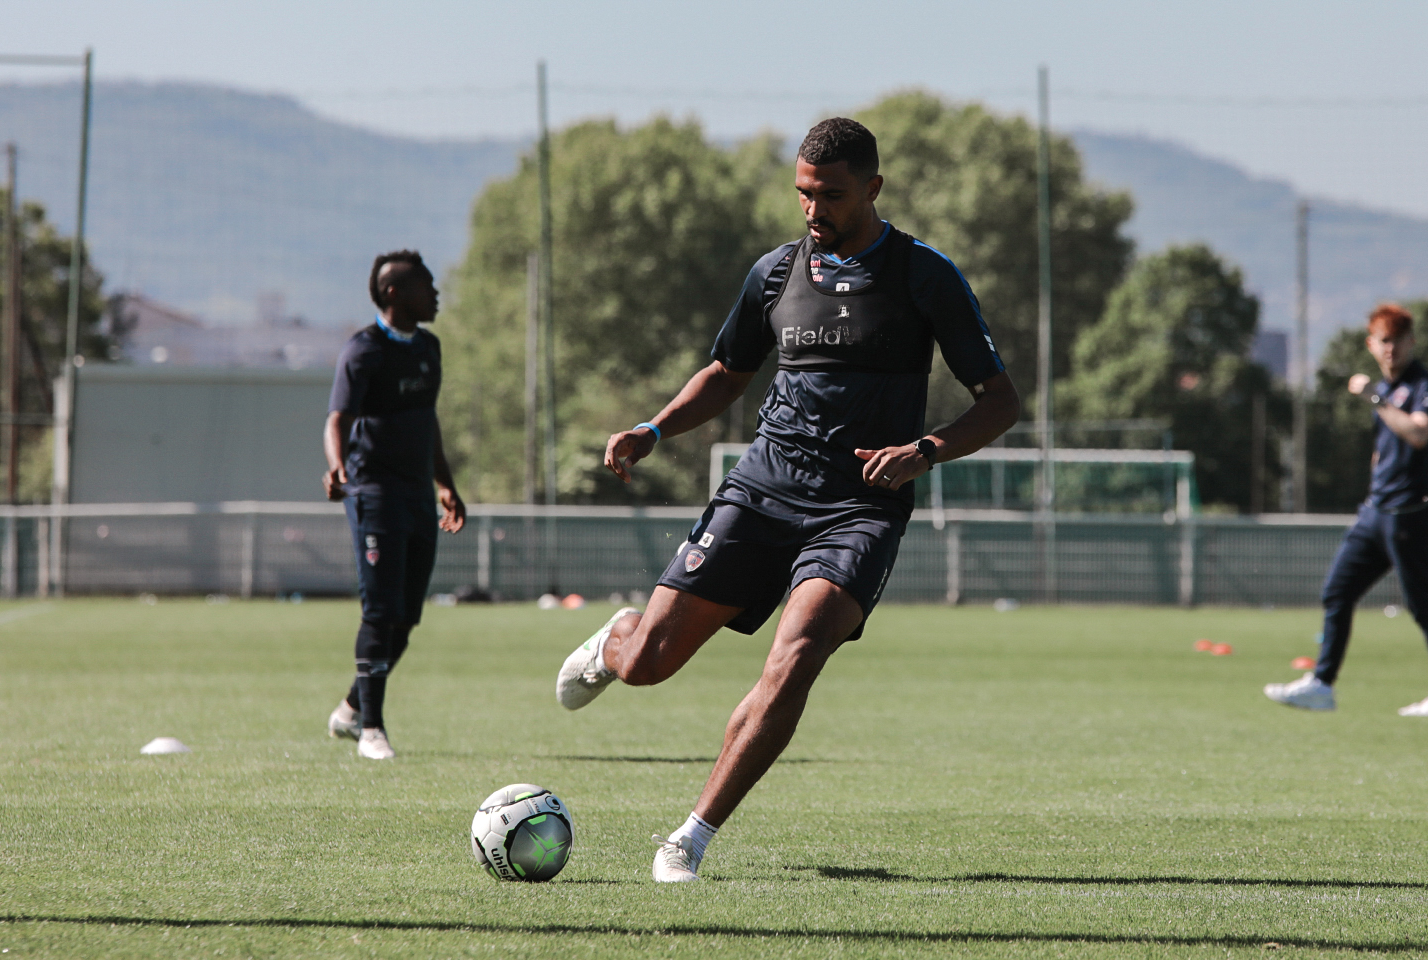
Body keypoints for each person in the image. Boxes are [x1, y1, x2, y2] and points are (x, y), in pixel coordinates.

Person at [554, 117, 1020, 881]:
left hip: (859, 510)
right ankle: (615, 643)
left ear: (872, 188)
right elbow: (728, 372)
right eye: (804, 194)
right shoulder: (775, 272)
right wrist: (654, 429)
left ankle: (690, 838)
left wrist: (925, 450)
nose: (814, 210)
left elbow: (999, 400)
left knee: (797, 655)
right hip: (763, 490)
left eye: (831, 195)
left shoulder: (924, 275)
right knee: (648, 665)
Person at [1264, 302, 1428, 717]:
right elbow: (1383, 449)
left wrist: (1376, 397)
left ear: (1412, 342)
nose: (1391, 349)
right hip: (1375, 512)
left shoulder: (1423, 384)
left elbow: (1418, 433)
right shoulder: (1384, 389)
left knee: (1422, 603)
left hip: (1409, 513)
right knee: (1337, 591)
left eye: (1399, 341)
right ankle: (1322, 684)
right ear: (1371, 344)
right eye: (1384, 341)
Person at [323, 250, 466, 759]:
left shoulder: (429, 347)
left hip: (416, 497)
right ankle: (371, 730)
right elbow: (337, 419)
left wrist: (445, 484)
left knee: (405, 619)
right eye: (426, 286)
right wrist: (337, 465)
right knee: (380, 612)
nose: (436, 294)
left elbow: (427, 424)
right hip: (373, 493)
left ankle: (349, 710)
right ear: (393, 294)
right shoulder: (363, 351)